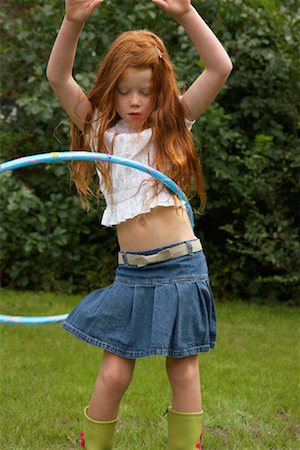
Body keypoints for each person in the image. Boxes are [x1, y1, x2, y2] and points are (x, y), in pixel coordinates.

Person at [47, 0, 232, 448]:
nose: (134, 102)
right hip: (133, 272)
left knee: (183, 368)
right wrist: (72, 21)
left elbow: (220, 67)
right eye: (125, 90)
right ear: (110, 89)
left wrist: (186, 14)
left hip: (182, 267)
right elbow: (58, 77)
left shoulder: (173, 125)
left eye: (145, 91)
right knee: (113, 373)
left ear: (160, 91)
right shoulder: (97, 132)